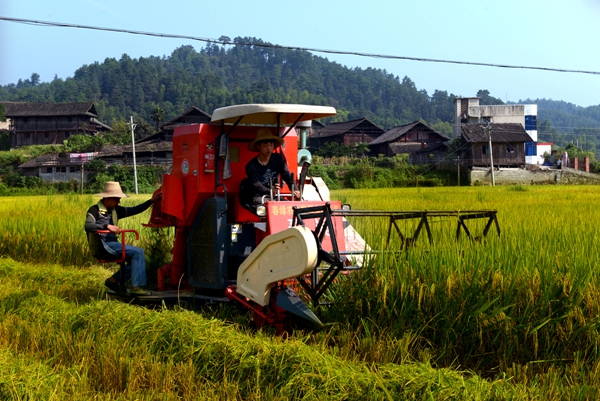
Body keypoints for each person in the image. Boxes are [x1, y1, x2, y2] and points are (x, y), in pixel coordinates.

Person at [85, 181, 161, 295]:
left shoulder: (116, 210)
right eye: (117, 199)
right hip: (103, 245)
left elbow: (135, 209)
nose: (119, 201)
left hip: (112, 244)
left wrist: (151, 201)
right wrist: (107, 226)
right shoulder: (94, 210)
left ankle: (113, 281)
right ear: (108, 198)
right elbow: (88, 225)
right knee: (138, 253)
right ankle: (136, 287)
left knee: (135, 261)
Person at [244, 128, 300, 209]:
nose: (269, 148)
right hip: (257, 197)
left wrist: (295, 189)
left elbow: (287, 175)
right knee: (270, 207)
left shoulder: (278, 159)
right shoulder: (251, 166)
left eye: (271, 145)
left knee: (289, 207)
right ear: (258, 146)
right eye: (265, 145)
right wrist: (270, 191)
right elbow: (256, 185)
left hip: (273, 196)